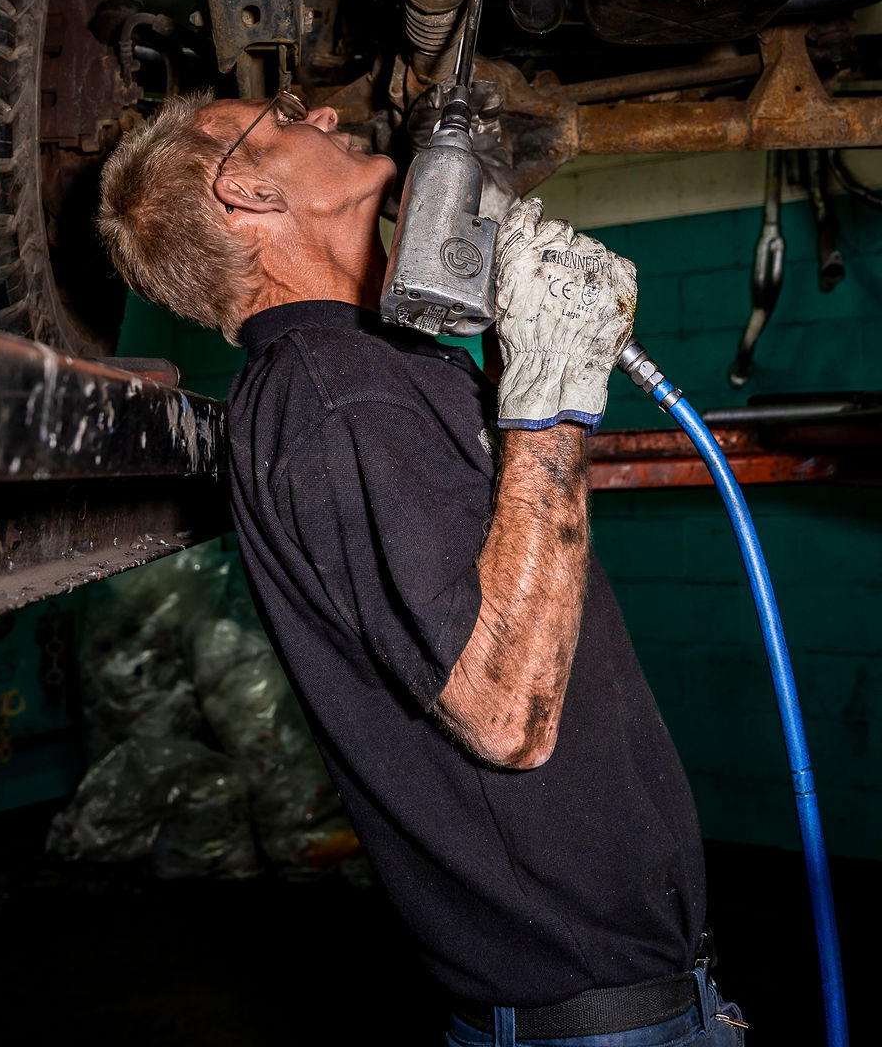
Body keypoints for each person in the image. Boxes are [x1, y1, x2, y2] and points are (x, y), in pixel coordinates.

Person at [97, 87, 747, 1046]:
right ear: (242, 190)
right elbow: (505, 710)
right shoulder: (333, 391)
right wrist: (554, 398)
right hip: (594, 1024)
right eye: (280, 115)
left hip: (627, 1003)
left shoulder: (373, 372)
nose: (320, 109)